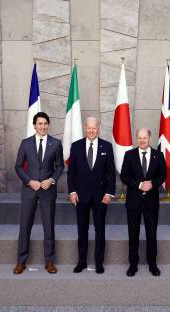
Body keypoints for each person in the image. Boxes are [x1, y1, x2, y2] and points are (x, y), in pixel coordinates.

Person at [13, 112, 64, 274]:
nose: (43, 126)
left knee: (49, 227)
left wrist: (52, 180)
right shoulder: (26, 143)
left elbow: (60, 167)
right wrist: (29, 181)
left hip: (48, 191)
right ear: (34, 125)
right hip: (29, 190)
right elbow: (18, 166)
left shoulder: (56, 143)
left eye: (45, 123)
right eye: (40, 123)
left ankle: (49, 261)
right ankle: (21, 261)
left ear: (48, 125)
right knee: (25, 226)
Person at [67, 117, 116, 274]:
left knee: (99, 230)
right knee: (82, 230)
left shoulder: (107, 146)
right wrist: (72, 191)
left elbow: (110, 173)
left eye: (94, 128)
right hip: (80, 196)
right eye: (89, 128)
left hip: (100, 196)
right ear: (85, 128)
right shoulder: (76, 146)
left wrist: (109, 192)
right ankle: (81, 261)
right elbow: (71, 173)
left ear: (98, 128)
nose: (91, 131)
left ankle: (99, 262)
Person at [120, 128, 166, 277]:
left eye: (144, 138)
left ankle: (152, 264)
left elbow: (162, 174)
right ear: (136, 139)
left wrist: (152, 184)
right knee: (133, 234)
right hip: (134, 202)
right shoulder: (129, 155)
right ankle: (133, 264)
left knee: (151, 234)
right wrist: (140, 184)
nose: (142, 140)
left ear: (149, 138)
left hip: (151, 202)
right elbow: (124, 176)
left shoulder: (158, 155)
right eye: (139, 138)